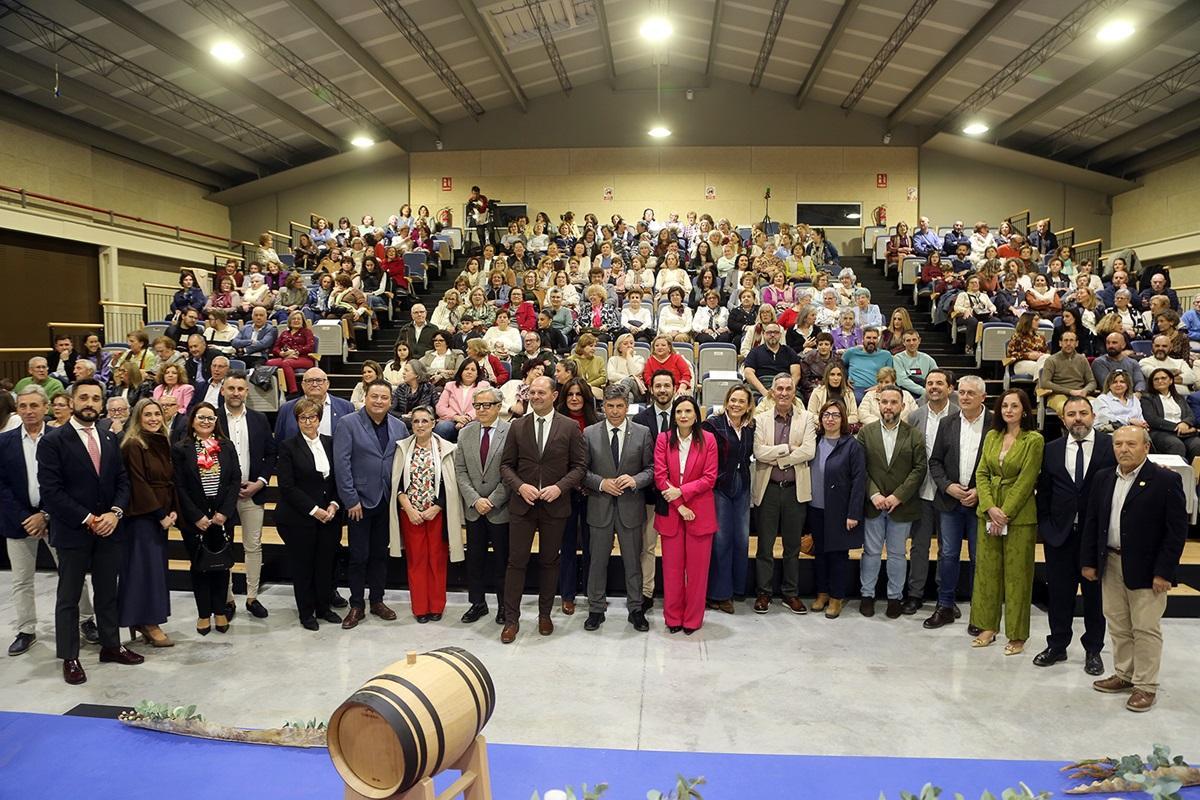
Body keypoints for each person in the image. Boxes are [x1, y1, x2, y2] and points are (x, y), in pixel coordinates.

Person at [37, 379, 139, 684]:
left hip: (109, 529)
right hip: (73, 531)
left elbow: (123, 482)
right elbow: (51, 492)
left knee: (108, 591)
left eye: (96, 398)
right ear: (72, 401)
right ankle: (70, 657)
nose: (90, 403)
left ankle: (111, 645)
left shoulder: (109, 438)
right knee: (69, 597)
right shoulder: (53, 441)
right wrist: (88, 518)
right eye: (84, 397)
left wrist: (114, 513)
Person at [1082, 426, 1187, 713]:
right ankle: (1124, 674)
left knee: (1145, 628)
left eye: (1131, 443)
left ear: (1146, 448)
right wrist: (1089, 561)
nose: (1123, 449)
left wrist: (1164, 571)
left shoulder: (1165, 480)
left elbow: (1176, 531)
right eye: (1118, 444)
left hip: (1148, 568)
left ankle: (1145, 685)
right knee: (1118, 624)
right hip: (1111, 563)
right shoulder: (1104, 478)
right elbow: (1093, 521)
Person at [1, 386, 97, 656]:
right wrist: (26, 517)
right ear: (16, 410)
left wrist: (45, 514)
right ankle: (26, 629)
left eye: (34, 405)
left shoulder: (63, 438)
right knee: (21, 580)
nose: (29, 411)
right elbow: (2, 487)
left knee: (73, 575)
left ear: (46, 408)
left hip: (59, 519)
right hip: (18, 521)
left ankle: (85, 621)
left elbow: (70, 484)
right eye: (23, 406)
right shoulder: (3, 441)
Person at [498, 376, 588, 642]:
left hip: (555, 505)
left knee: (550, 562)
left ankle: (545, 615)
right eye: (531, 392)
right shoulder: (517, 426)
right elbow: (506, 466)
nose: (535, 396)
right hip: (522, 505)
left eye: (540, 392)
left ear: (554, 395)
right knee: (516, 563)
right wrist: (520, 487)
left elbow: (580, 467)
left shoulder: (570, 427)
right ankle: (511, 620)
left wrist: (560, 487)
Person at [1034, 397, 1113, 675]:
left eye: (1082, 413)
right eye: (1071, 414)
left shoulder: (1109, 445)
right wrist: (1046, 526)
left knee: (1094, 597)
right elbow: (1044, 492)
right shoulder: (1051, 449)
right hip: (1060, 536)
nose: (1077, 418)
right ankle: (1057, 645)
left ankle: (1093, 650)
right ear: (1063, 418)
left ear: (1093, 415)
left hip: (1095, 537)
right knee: (1059, 595)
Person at [970, 389, 1044, 654]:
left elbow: (1027, 480)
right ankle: (987, 626)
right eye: (1004, 406)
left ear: (1024, 410)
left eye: (1014, 406)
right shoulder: (992, 436)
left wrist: (1005, 511)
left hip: (1020, 517)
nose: (1008, 410)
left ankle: (1016, 635)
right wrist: (990, 507)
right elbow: (981, 473)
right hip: (988, 515)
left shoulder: (1034, 440)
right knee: (987, 574)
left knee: (1017, 577)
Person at [333, 381, 409, 629]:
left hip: (387, 501)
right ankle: (357, 604)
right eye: (374, 396)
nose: (379, 401)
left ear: (390, 401)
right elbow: (341, 464)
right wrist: (350, 499)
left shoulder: (399, 426)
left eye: (384, 397)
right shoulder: (348, 423)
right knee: (358, 556)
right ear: (365, 397)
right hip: (359, 503)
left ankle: (377, 600)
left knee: (379, 554)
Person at [581, 385, 655, 632]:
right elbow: (582, 471)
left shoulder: (642, 433)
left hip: (630, 507)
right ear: (603, 407)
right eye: (610, 406)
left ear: (627, 407)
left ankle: (636, 609)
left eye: (619, 406)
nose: (614, 411)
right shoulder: (589, 433)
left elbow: (651, 469)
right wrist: (601, 483)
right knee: (597, 562)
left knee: (633, 562)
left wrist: (636, 481)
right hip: (599, 506)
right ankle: (595, 609)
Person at [923, 375, 991, 629]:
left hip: (981, 503)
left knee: (978, 557)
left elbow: (1000, 465)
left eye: (970, 393)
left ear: (982, 397)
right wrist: (947, 486)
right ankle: (946, 606)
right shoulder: (947, 423)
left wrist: (981, 492)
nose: (964, 397)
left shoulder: (995, 424)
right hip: (950, 502)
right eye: (961, 392)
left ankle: (979, 612)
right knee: (948, 555)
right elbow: (935, 461)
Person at [855, 386, 926, 619]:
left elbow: (919, 468)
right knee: (871, 552)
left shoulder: (913, 434)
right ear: (878, 404)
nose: (888, 406)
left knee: (897, 554)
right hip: (873, 504)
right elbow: (860, 469)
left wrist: (898, 495)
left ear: (902, 406)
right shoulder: (866, 433)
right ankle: (867, 595)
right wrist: (874, 494)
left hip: (901, 505)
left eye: (893, 402)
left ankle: (895, 597)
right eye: (884, 402)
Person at [389, 407, 464, 623]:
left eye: (425, 421)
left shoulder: (447, 448)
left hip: (436, 515)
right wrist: (408, 507)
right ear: (411, 425)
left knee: (437, 561)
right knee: (416, 561)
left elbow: (451, 483)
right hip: (410, 515)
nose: (420, 425)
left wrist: (438, 507)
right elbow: (396, 483)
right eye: (416, 421)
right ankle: (420, 607)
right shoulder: (402, 448)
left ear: (433, 423)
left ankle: (436, 606)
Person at [172, 401, 240, 638]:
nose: (206, 422)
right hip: (195, 519)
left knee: (221, 566)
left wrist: (225, 512)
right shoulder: (181, 448)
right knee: (199, 566)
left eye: (210, 418)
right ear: (192, 420)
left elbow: (234, 480)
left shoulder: (226, 446)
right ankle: (203, 613)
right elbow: (179, 486)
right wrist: (196, 516)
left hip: (222, 517)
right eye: (201, 417)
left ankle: (220, 610)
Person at [750, 375, 817, 615]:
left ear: (794, 391)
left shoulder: (808, 418)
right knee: (765, 546)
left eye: (789, 388)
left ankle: (790, 593)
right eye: (779, 388)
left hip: (794, 492)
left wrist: (777, 457)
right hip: (767, 490)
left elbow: (809, 451)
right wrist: (788, 450)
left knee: (792, 547)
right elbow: (758, 452)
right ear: (772, 391)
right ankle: (764, 593)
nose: (784, 393)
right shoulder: (760, 420)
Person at [275, 399, 342, 630]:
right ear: (297, 421)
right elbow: (287, 486)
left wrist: (333, 504)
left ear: (319, 419)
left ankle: (324, 608)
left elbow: (337, 479)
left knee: (325, 564)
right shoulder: (287, 446)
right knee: (303, 567)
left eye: (312, 417)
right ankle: (306, 613)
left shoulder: (331, 443)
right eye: (302, 418)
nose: (308, 422)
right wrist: (314, 510)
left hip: (329, 516)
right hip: (299, 518)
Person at [653, 396, 718, 634]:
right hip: (673, 512)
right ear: (674, 415)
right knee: (672, 571)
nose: (683, 415)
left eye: (688, 411)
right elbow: (660, 476)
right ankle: (673, 618)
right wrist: (680, 505)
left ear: (695, 415)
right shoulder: (663, 439)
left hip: (700, 511)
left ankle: (692, 619)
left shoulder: (708, 440)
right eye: (679, 411)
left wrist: (680, 491)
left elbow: (709, 478)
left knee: (698, 572)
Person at [118, 399, 176, 648]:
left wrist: (172, 511)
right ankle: (147, 622)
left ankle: (146, 620)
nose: (153, 418)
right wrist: (160, 514)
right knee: (144, 571)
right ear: (137, 419)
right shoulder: (133, 444)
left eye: (157, 414)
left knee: (155, 570)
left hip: (160, 514)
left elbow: (169, 479)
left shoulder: (161, 441)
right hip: (143, 516)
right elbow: (138, 483)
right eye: (147, 414)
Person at [217, 374, 276, 620]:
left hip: (252, 491)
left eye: (240, 388)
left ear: (246, 392)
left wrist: (260, 482)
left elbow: (271, 455)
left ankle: (252, 597)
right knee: (224, 546)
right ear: (223, 391)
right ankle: (228, 598)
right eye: (231, 388)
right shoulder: (213, 419)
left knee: (253, 546)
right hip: (221, 496)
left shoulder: (259, 419)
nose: (235, 392)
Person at [453, 388, 511, 625]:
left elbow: (513, 471)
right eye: (478, 405)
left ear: (499, 406)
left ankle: (505, 606)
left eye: (487, 405)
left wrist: (493, 500)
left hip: (500, 509)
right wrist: (475, 499)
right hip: (474, 508)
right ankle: (477, 604)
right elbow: (460, 470)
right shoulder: (465, 433)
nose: (482, 410)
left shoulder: (511, 432)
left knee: (502, 561)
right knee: (474, 560)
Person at [903, 369, 956, 616]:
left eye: (939, 383)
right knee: (919, 546)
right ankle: (915, 594)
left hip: (948, 492)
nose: (934, 387)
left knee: (948, 549)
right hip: (921, 491)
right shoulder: (914, 416)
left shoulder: (959, 415)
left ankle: (945, 597)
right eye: (930, 383)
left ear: (950, 388)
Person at [808, 399, 866, 619]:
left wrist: (853, 513)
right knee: (820, 553)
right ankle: (822, 593)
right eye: (826, 415)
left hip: (840, 511)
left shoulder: (851, 445)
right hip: (816, 508)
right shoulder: (813, 441)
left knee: (838, 556)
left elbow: (859, 481)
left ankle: (836, 597)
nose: (830, 419)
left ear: (843, 419)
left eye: (835, 415)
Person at [701, 384, 755, 615]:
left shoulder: (751, 427)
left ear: (748, 405)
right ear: (726, 401)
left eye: (741, 401)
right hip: (720, 487)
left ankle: (736, 588)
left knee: (741, 540)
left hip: (742, 485)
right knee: (721, 541)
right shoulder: (713, 424)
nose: (736, 405)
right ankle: (719, 594)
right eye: (733, 400)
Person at [632, 369, 677, 610]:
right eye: (658, 386)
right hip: (649, 495)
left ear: (674, 388)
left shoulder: (684, 415)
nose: (662, 390)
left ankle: (675, 592)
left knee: (676, 549)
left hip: (680, 496)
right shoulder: (640, 420)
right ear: (651, 389)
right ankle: (646, 592)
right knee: (647, 547)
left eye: (666, 385)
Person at [275, 368, 355, 443]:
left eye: (319, 380)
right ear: (303, 385)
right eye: (309, 381)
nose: (314, 384)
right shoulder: (286, 409)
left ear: (327, 384)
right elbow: (279, 441)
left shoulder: (346, 407)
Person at [1141, 368, 1200, 460]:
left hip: (1183, 432)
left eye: (1163, 378)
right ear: (1152, 383)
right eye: (1156, 379)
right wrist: (1177, 427)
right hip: (1161, 432)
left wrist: (1185, 423)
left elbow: (1190, 415)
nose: (1160, 381)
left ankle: (1194, 473)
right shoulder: (1147, 398)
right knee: (1176, 445)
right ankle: (1176, 474)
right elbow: (1152, 419)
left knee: (1197, 444)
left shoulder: (1179, 398)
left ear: (1171, 381)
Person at [1040, 330, 1096, 416]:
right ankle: (1068, 428)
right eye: (1065, 340)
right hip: (1058, 395)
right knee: (1068, 408)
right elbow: (1045, 383)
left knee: (1097, 405)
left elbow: (1092, 382)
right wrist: (1069, 391)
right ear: (1060, 343)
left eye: (1071, 340)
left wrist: (1085, 391)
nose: (1068, 343)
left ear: (1076, 343)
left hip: (1080, 393)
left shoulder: (1082, 359)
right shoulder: (1051, 360)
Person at [742, 323, 801, 399]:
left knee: (798, 399)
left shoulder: (789, 351)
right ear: (764, 334)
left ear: (780, 335)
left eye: (776, 332)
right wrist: (764, 392)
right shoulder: (755, 352)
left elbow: (796, 374)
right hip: (761, 385)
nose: (772, 335)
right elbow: (748, 373)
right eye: (769, 332)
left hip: (785, 384)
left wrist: (787, 390)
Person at [266, 310, 316, 396]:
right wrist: (281, 353)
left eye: (298, 319)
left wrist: (295, 352)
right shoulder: (284, 333)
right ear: (290, 321)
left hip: (304, 358)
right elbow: (275, 348)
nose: (296, 321)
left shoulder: (307, 332)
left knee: (286, 363)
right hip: (285, 357)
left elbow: (310, 347)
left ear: (302, 321)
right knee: (268, 363)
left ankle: (293, 391)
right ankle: (275, 390)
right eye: (294, 319)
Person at [842, 328, 893, 403]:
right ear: (863, 339)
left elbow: (891, 376)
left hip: (878, 388)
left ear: (878, 340)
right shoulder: (851, 352)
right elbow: (838, 366)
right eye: (868, 338)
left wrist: (879, 386)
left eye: (874, 338)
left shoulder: (886, 355)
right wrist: (845, 379)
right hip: (855, 388)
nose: (871, 341)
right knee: (856, 399)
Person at [893, 330, 937, 399]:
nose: (911, 343)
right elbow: (901, 381)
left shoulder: (928, 359)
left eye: (914, 340)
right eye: (908, 340)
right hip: (906, 394)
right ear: (903, 342)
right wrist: (924, 391)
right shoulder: (898, 358)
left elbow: (937, 376)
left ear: (919, 341)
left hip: (926, 391)